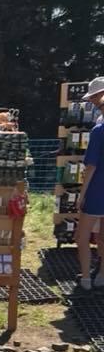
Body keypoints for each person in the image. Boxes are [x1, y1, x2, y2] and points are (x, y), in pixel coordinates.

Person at [77, 77, 104, 291]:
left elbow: (91, 166)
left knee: (82, 236)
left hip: (97, 190)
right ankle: (102, 275)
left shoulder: (98, 131)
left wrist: (82, 194)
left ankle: (86, 278)